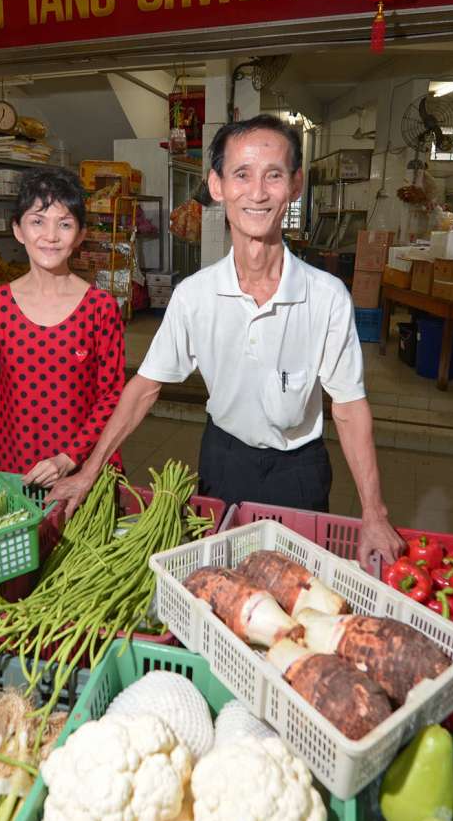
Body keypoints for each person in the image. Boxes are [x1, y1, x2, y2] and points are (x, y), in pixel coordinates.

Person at [49, 115, 405, 564]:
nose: (257, 193)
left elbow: (349, 407)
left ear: (294, 185)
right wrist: (89, 470)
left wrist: (373, 511)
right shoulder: (195, 295)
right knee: (222, 580)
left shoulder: (327, 296)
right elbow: (144, 388)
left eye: (273, 175)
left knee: (295, 589)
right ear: (216, 185)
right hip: (223, 458)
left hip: (299, 467)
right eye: (241, 174)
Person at [0, 166, 125, 486]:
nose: (50, 236)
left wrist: (69, 457)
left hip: (83, 468)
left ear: (80, 235)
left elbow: (111, 397)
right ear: (18, 230)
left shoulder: (99, 308)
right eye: (37, 221)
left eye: (64, 224)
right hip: (15, 463)